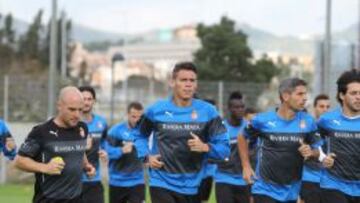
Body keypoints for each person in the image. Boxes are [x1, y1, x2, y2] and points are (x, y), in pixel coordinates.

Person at [137, 62, 230, 203]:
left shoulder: (208, 111)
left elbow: (224, 149)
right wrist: (146, 157)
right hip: (161, 181)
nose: (188, 84)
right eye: (183, 80)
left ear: (196, 84)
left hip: (193, 186)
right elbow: (139, 134)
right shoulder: (156, 110)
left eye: (192, 80)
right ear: (172, 82)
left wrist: (205, 147)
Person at [238, 78, 320, 203]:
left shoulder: (308, 122)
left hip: (291, 191)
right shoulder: (262, 120)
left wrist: (311, 152)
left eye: (305, 94)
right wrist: (246, 166)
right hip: (265, 189)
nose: (305, 98)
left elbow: (319, 150)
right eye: (300, 94)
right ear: (286, 96)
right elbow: (242, 137)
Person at [14, 86, 96, 203]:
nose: (77, 115)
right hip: (48, 199)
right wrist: (45, 168)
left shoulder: (82, 128)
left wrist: (87, 166)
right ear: (59, 106)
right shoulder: (41, 132)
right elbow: (19, 161)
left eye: (80, 110)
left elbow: (79, 151)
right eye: (72, 109)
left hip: (76, 199)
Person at [318, 69, 360, 203]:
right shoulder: (326, 120)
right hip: (333, 184)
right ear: (342, 95)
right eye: (354, 93)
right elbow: (313, 141)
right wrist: (323, 157)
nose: (358, 97)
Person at [214, 91, 251, 203]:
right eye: (236, 107)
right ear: (229, 109)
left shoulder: (250, 127)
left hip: (244, 180)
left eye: (242, 107)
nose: (240, 110)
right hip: (224, 179)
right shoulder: (220, 129)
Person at [106, 102, 145, 203]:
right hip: (117, 182)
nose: (137, 120)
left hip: (137, 181)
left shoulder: (145, 132)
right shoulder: (115, 131)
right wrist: (121, 150)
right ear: (127, 115)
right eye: (133, 116)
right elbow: (105, 151)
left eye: (140, 117)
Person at [78, 86, 108, 203]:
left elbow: (105, 141)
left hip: (94, 180)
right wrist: (83, 147)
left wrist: (105, 151)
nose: (86, 102)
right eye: (83, 99)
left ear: (94, 101)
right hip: (74, 182)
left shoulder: (101, 123)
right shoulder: (71, 123)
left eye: (89, 99)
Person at [299, 94, 330, 203]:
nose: (325, 110)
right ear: (315, 108)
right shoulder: (306, 127)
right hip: (310, 178)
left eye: (327, 107)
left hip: (331, 181)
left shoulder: (336, 127)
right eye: (321, 106)